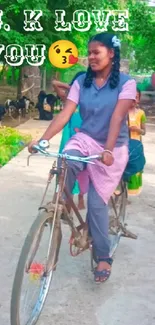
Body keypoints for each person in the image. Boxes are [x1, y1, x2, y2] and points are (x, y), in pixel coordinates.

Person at [28, 32, 136, 283]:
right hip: (85, 139)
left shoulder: (126, 83)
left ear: (111, 53)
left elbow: (117, 118)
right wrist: (44, 140)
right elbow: (66, 113)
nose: (91, 57)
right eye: (89, 53)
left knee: (97, 206)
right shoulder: (81, 82)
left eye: (96, 52)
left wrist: (108, 150)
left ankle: (103, 256)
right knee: (66, 159)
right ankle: (58, 207)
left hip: (112, 147)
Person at [52, 72, 87, 210]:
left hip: (84, 142)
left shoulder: (89, 103)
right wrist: (74, 88)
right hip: (68, 141)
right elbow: (55, 84)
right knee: (64, 169)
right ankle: (66, 203)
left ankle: (80, 198)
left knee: (82, 172)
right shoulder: (69, 101)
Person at [127, 90, 146, 195]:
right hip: (124, 143)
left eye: (136, 97)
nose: (134, 99)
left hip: (136, 145)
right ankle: (118, 193)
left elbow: (144, 132)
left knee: (133, 167)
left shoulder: (141, 113)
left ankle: (129, 193)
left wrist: (138, 130)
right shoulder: (122, 112)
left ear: (139, 99)